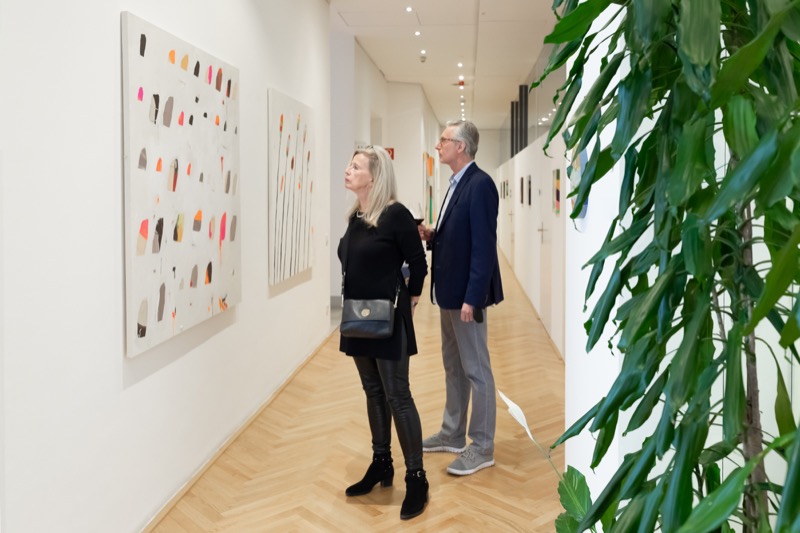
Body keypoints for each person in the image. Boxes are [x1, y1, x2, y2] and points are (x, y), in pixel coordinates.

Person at [338, 145, 429, 520]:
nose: (348, 170)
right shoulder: (356, 217)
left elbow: (418, 263)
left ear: (374, 177)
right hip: (358, 318)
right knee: (373, 391)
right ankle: (381, 463)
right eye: (350, 165)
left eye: (355, 166)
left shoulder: (395, 215)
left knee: (397, 395)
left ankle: (417, 477)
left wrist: (412, 298)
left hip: (389, 320)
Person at [418, 120, 504, 476]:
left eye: (444, 140)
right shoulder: (456, 184)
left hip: (466, 298)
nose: (438, 146)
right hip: (449, 293)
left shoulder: (480, 185)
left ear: (462, 147)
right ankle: (452, 433)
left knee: (477, 370)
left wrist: (473, 298)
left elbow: (483, 247)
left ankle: (482, 446)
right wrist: (433, 235)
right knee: (454, 366)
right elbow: (460, 236)